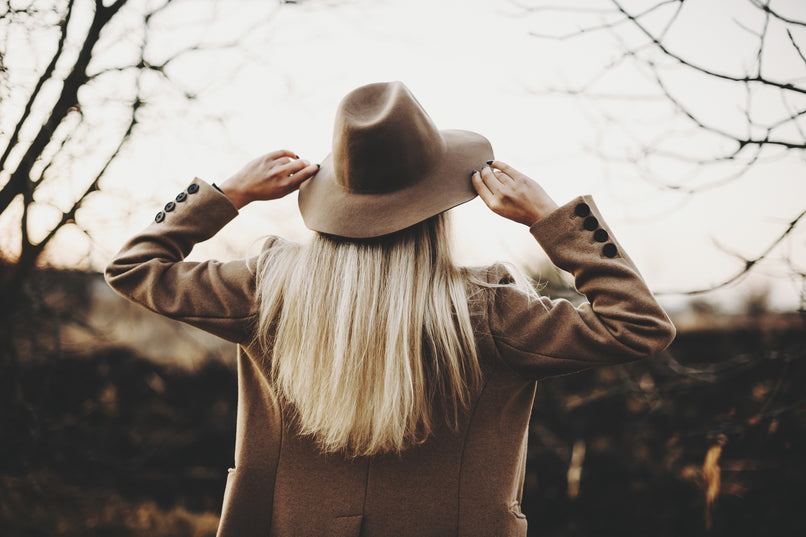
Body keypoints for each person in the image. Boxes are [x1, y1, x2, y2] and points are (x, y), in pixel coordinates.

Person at [105, 81, 675, 537]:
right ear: (443, 204)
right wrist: (551, 219)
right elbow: (639, 324)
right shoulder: (490, 315)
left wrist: (227, 195)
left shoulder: (265, 293)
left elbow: (132, 268)